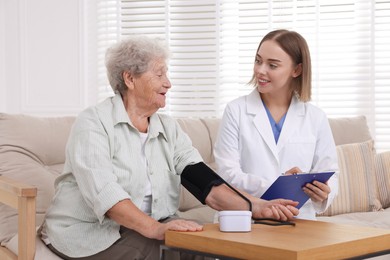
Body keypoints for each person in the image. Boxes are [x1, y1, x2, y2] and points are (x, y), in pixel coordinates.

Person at [39, 35, 299, 260]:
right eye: (159, 74)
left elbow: (203, 181)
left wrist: (254, 206)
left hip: (149, 225)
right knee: (156, 249)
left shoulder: (168, 128)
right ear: (129, 78)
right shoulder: (93, 123)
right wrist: (156, 229)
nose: (168, 83)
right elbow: (106, 195)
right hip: (87, 233)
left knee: (204, 243)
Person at [214, 29, 339, 220]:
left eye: (272, 65)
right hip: (247, 218)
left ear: (296, 70)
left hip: (298, 218)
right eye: (258, 61)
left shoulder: (315, 117)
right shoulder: (236, 111)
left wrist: (323, 192)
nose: (260, 70)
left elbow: (330, 172)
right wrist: (282, 184)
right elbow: (227, 174)